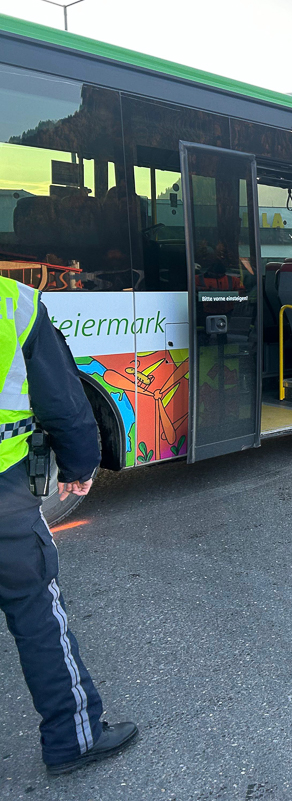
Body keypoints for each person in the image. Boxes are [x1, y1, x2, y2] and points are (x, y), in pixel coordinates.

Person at [0, 277, 138, 774]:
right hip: (4, 496)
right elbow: (61, 399)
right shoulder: (14, 303)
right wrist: (80, 465)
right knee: (36, 608)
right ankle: (72, 738)